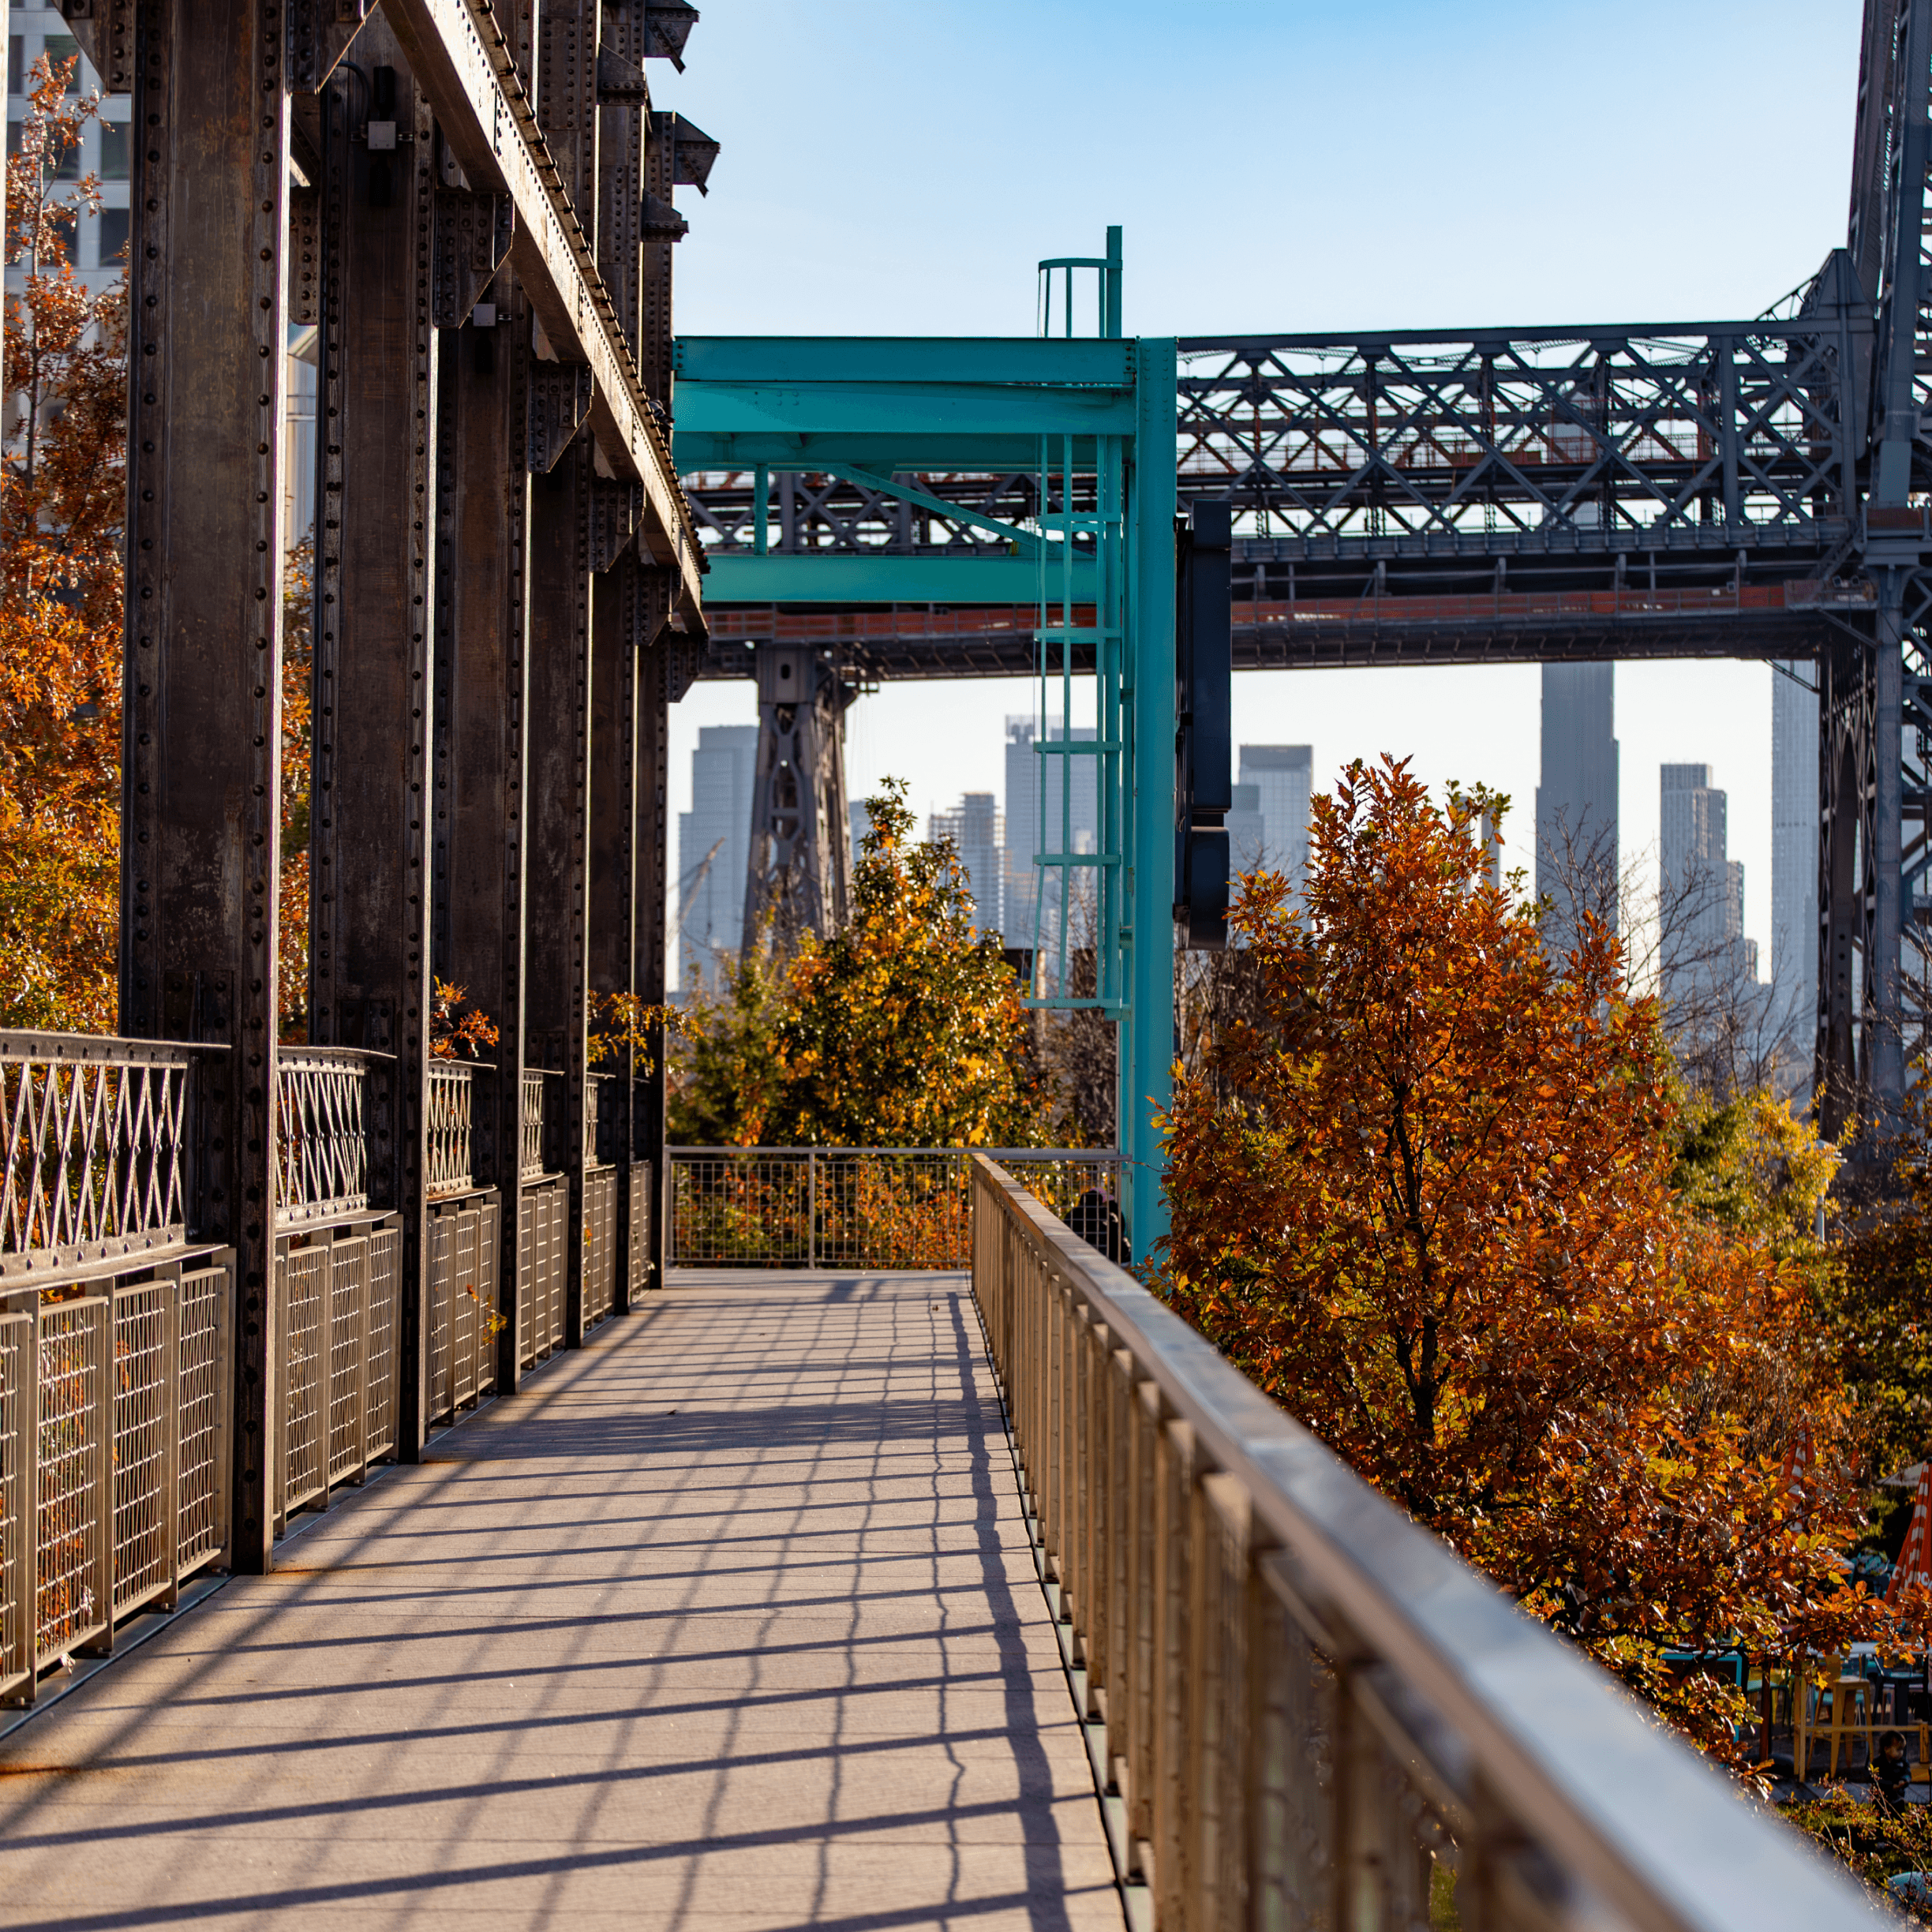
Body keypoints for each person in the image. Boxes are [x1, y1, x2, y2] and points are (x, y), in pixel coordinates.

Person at [1875, 1729, 1911, 1814]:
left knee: (1901, 1806)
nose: (1901, 1753)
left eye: (1902, 1749)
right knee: (1881, 1810)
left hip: (1897, 1795)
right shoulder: (1878, 1763)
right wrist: (1891, 1786)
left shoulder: (1902, 1762)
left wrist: (1904, 1780)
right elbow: (1876, 1780)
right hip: (1882, 1797)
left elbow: (1907, 1773)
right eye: (1898, 1750)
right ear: (1886, 1749)